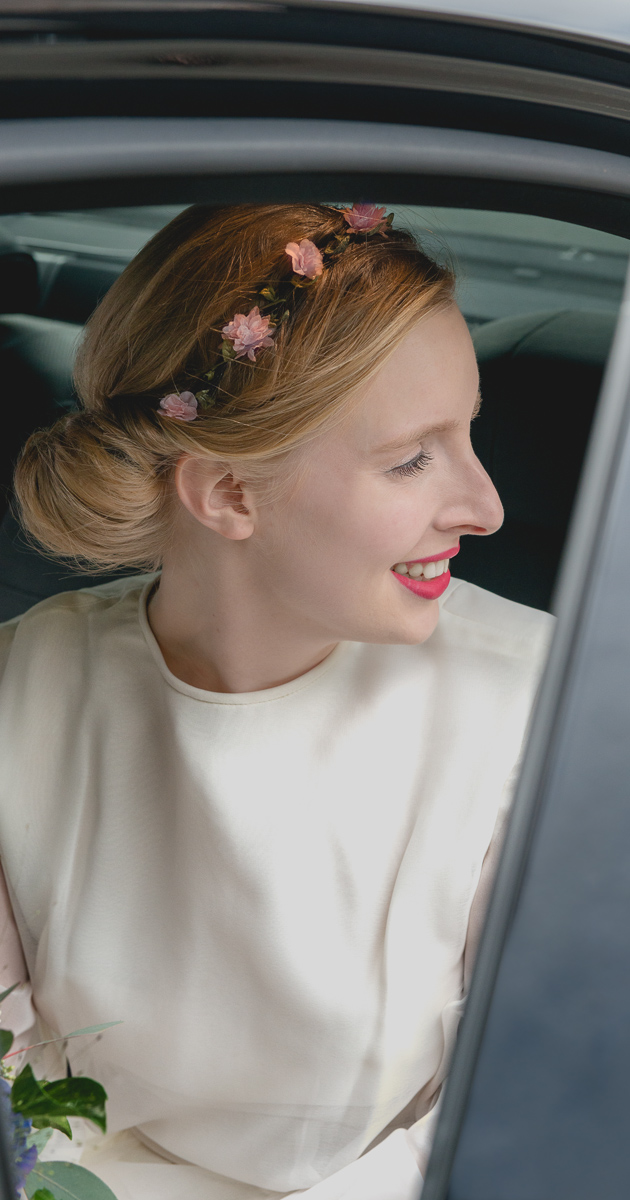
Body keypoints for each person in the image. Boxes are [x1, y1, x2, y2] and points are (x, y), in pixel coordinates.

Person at [0, 202, 553, 1200]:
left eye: (467, 435)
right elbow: (11, 1083)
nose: (486, 506)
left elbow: (518, 1105)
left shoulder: (544, 710)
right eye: (412, 457)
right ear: (229, 496)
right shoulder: (22, 683)